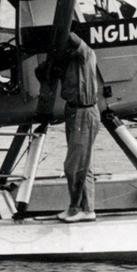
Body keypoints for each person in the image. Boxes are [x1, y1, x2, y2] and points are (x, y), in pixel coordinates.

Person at [57, 28, 101, 222]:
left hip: (85, 112)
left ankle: (76, 209)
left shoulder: (86, 54)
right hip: (74, 112)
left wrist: (58, 23)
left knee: (73, 167)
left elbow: (71, 37)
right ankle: (88, 208)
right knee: (85, 165)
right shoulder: (68, 61)